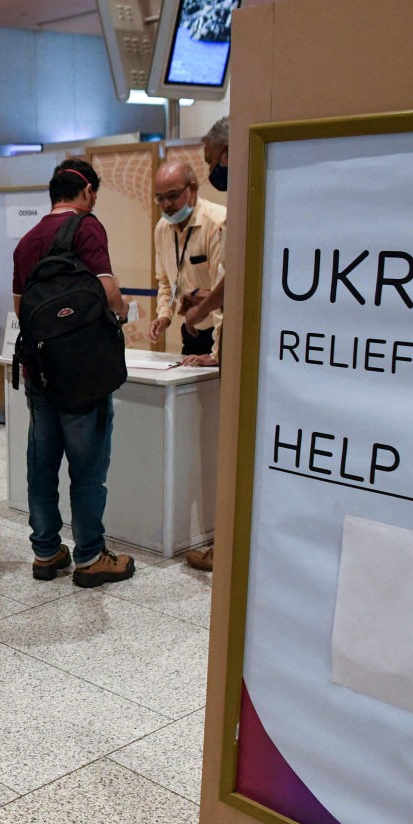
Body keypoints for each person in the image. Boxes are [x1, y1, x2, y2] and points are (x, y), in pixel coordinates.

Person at [11, 160, 136, 588]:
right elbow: (109, 291)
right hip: (84, 375)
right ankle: (89, 556)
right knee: (87, 467)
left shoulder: (26, 241)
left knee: (42, 464)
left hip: (40, 372)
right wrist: (117, 317)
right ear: (85, 194)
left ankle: (46, 552)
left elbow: (20, 309)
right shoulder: (86, 227)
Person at [180, 117, 231, 573]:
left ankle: (226, 546)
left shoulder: (223, 219)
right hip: (219, 340)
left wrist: (199, 313)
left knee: (230, 449)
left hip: (226, 336)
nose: (216, 170)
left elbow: (229, 284)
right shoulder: (164, 228)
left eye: (214, 163)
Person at [147, 159, 225, 359]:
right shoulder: (162, 229)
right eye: (160, 198)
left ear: (193, 188)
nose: (166, 205)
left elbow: (225, 294)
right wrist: (164, 315)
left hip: (221, 333)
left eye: (172, 196)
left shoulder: (217, 222)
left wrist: (217, 354)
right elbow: (165, 281)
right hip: (191, 331)